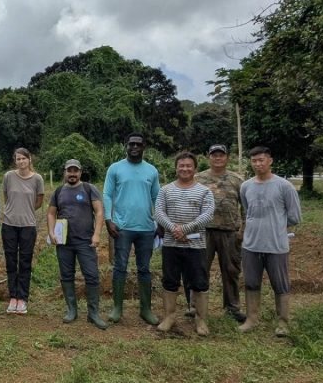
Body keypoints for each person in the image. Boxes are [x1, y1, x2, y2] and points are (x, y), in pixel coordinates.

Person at [238, 145, 302, 336]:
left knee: (280, 284)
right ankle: (251, 319)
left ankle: (282, 322)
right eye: (254, 161)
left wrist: (275, 226)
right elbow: (247, 211)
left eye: (261, 160)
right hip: (250, 245)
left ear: (270, 161)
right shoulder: (246, 186)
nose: (258, 164)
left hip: (276, 246)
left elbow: (294, 217)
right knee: (251, 282)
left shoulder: (284, 186)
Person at [103, 132, 161, 325]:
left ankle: (146, 309)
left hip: (146, 228)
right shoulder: (115, 168)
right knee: (120, 266)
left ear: (144, 147)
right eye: (131, 144)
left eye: (138, 144)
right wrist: (108, 219)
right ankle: (117, 308)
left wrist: (159, 221)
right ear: (125, 146)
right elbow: (107, 194)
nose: (134, 147)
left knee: (144, 268)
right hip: (122, 228)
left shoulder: (151, 170)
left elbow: (156, 198)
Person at [155, 152, 215, 336]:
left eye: (189, 166)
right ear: (176, 168)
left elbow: (207, 214)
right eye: (181, 165)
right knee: (170, 280)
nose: (185, 169)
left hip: (195, 246)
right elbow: (159, 212)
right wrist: (174, 229)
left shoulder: (204, 191)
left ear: (195, 169)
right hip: (171, 245)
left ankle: (201, 319)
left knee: (199, 281)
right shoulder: (165, 190)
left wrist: (186, 229)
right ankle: (169, 316)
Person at [46, 159, 108, 330]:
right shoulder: (58, 191)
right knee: (66, 275)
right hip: (64, 242)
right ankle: (71, 310)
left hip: (86, 242)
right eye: (69, 171)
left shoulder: (89, 189)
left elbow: (99, 211)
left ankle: (93, 313)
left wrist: (96, 234)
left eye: (75, 171)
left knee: (92, 275)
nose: (72, 174)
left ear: (80, 172)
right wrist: (51, 233)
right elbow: (51, 213)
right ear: (65, 172)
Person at [195, 144, 247, 322]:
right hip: (204, 231)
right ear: (208, 157)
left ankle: (232, 308)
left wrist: (244, 229)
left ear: (227, 158)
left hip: (229, 232)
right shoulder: (198, 178)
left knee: (231, 270)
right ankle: (197, 307)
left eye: (221, 155)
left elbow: (245, 207)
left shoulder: (237, 180)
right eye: (214, 155)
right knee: (200, 269)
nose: (217, 158)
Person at [1, 148, 44, 315]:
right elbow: (6, 197)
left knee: (25, 262)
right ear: (15, 161)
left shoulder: (37, 179)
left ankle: (22, 299)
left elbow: (39, 201)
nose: (21, 162)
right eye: (18, 159)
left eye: (23, 159)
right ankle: (13, 297)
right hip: (9, 224)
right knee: (11, 261)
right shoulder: (8, 177)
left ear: (29, 159)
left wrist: (26, 210)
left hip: (28, 225)